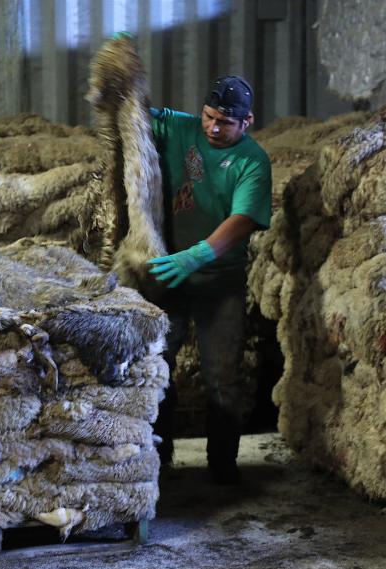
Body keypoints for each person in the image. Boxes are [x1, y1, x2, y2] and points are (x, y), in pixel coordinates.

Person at [147, 75, 272, 485]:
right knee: (156, 367)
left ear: (247, 121)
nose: (213, 128)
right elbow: (130, 117)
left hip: (220, 281)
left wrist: (198, 254)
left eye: (224, 122)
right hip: (170, 277)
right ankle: (157, 459)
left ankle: (222, 468)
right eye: (209, 117)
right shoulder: (181, 127)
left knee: (222, 376)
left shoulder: (253, 161)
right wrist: (119, 79)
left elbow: (243, 220)